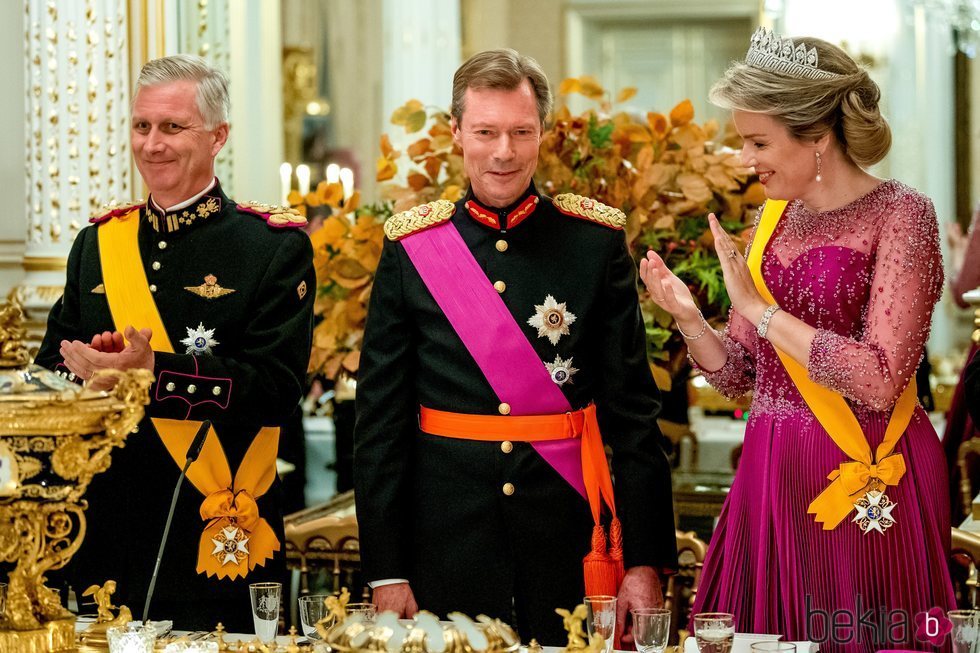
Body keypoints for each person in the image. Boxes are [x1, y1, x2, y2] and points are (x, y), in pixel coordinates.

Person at [640, 28, 955, 652]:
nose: (745, 160)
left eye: (759, 142)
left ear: (818, 135)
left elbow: (880, 375)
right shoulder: (768, 221)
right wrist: (689, 319)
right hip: (773, 470)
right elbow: (740, 378)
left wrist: (759, 312)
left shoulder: (902, 214)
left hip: (866, 469)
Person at [354, 48, 676, 645]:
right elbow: (380, 422)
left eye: (520, 132)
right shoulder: (412, 247)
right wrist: (386, 569)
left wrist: (643, 561)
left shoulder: (593, 241)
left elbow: (633, 413)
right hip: (443, 541)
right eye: (486, 132)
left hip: (567, 533)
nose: (503, 152)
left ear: (543, 135)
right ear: (456, 134)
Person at [35, 54, 315, 631]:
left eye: (172, 127)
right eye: (142, 126)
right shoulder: (97, 244)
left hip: (212, 529)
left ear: (218, 137)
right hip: (101, 536)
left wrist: (155, 374)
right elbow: (49, 373)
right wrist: (85, 373)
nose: (152, 144)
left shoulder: (270, 248)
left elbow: (276, 389)